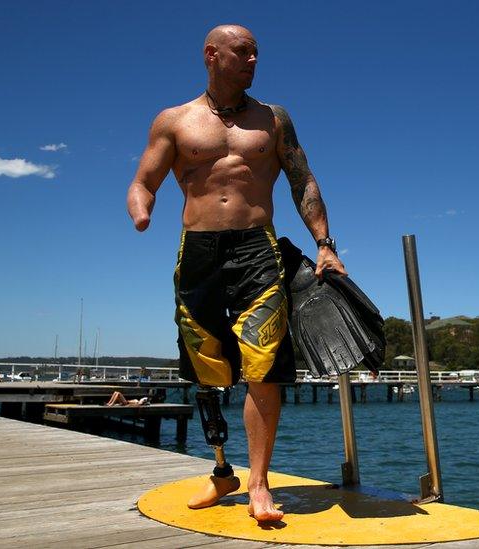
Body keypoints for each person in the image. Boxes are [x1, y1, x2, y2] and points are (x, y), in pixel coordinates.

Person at [126, 24, 346, 523]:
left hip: (256, 248)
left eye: (255, 54)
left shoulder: (273, 119)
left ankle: (259, 484)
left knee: (263, 363)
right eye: (243, 52)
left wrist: (324, 244)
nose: (253, 61)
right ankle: (222, 470)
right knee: (205, 366)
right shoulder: (174, 121)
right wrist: (142, 208)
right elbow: (144, 180)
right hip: (198, 251)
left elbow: (301, 179)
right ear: (211, 54)